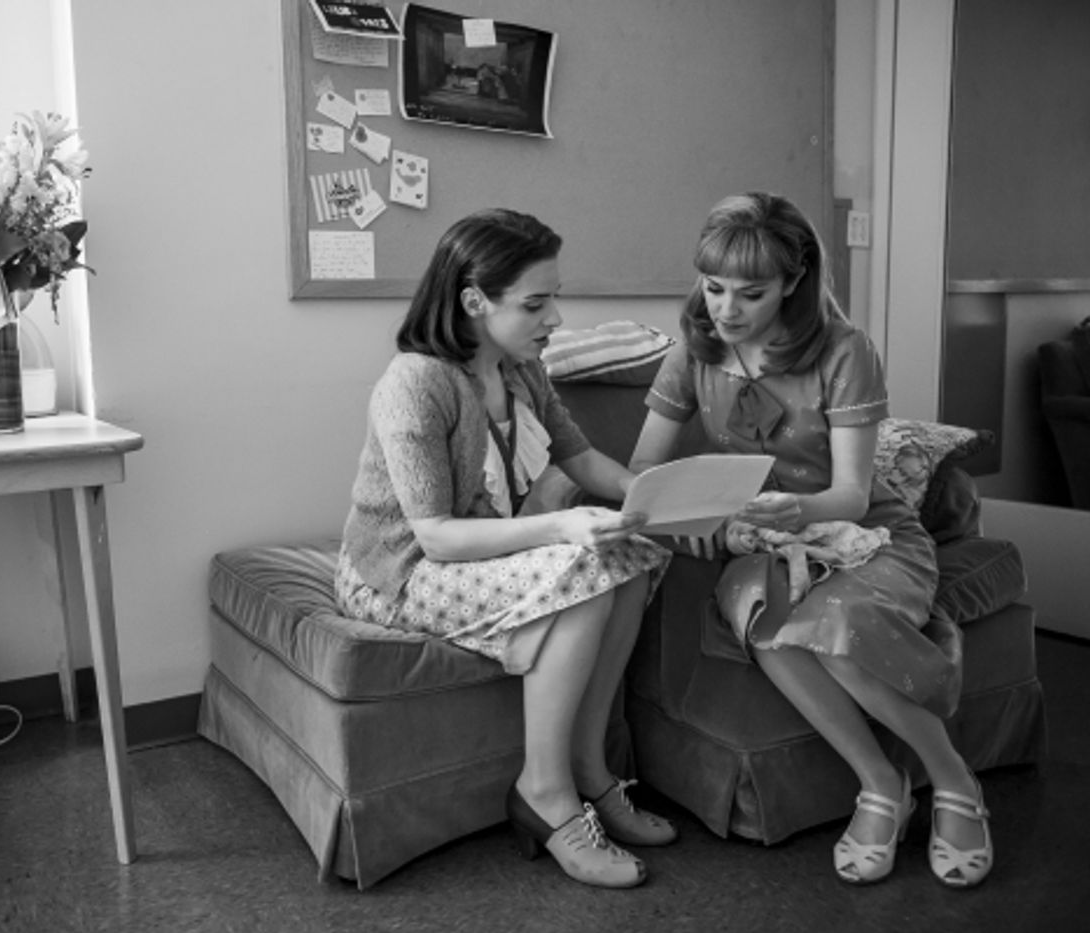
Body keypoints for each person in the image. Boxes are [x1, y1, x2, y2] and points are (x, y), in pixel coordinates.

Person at [630, 191, 993, 888]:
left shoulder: (845, 351)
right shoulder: (692, 352)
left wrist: (787, 508)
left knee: (837, 630)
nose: (725, 309)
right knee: (769, 627)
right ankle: (882, 784)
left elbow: (850, 495)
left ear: (793, 281)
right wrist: (707, 521)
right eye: (713, 287)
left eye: (751, 293)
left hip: (867, 531)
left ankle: (955, 780)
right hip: (760, 542)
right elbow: (644, 466)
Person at [336, 208, 675, 889]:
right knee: (582, 572)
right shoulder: (415, 382)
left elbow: (582, 459)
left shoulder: (522, 369)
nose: (555, 318)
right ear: (474, 301)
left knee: (633, 561)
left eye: (554, 297)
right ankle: (545, 792)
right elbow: (434, 534)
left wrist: (654, 500)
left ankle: (590, 767)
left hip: (476, 551)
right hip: (400, 570)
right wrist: (562, 527)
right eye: (535, 303)